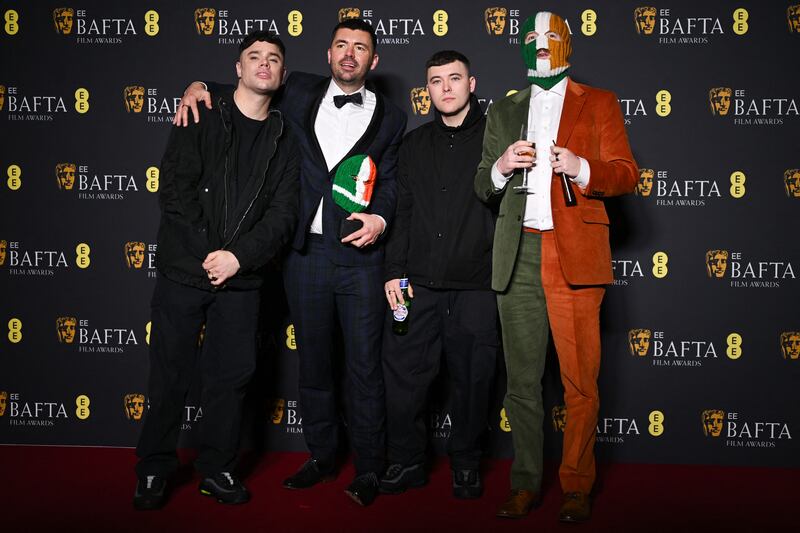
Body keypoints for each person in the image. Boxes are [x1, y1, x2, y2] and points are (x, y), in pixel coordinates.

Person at [176, 18, 406, 506]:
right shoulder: (297, 88)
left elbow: (389, 180)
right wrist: (198, 85)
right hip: (305, 254)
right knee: (315, 365)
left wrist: (381, 220)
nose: (349, 54)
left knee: (364, 367)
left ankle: (368, 468)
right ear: (327, 54)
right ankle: (322, 456)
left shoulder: (391, 115)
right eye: (341, 45)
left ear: (373, 60)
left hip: (361, 258)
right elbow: (247, 85)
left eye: (360, 48)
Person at [474, 11, 638, 523]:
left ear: (567, 44)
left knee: (580, 383)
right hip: (518, 254)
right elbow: (482, 184)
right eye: (531, 38)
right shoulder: (504, 109)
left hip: (575, 256)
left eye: (549, 37)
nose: (540, 45)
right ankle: (524, 483)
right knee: (521, 384)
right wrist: (501, 167)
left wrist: (583, 168)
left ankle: (576, 486)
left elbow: (626, 174)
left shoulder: (600, 102)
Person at [133, 31, 300, 511]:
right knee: (169, 375)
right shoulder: (199, 112)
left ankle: (217, 468)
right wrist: (211, 254)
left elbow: (284, 215)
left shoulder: (287, 137)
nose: (264, 65)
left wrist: (238, 259)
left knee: (231, 378)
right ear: (238, 67)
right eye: (254, 57)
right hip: (185, 270)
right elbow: (176, 191)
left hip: (242, 279)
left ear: (284, 74)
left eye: (273, 59)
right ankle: (153, 469)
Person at [378, 50, 497, 499]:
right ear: (425, 90)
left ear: (472, 84)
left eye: (454, 78)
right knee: (405, 378)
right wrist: (394, 272)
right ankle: (407, 461)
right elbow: (402, 213)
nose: (445, 87)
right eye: (435, 80)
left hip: (477, 285)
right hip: (417, 285)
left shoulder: (495, 143)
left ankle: (466, 463)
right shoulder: (412, 144)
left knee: (474, 380)